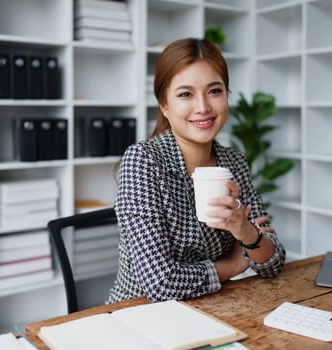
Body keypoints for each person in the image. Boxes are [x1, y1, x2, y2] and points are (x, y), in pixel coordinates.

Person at [107, 37, 286, 304]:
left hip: (213, 308)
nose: (203, 107)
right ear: (164, 105)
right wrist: (234, 265)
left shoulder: (233, 162)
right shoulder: (144, 161)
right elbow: (160, 284)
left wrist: (245, 231)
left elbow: (273, 263)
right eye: (185, 94)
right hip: (140, 315)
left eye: (214, 91)